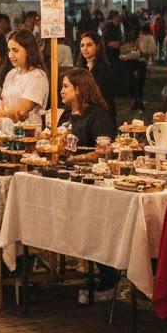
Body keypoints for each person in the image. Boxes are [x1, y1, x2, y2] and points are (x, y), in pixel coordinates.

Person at [60, 68, 119, 302]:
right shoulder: (67, 114)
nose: (61, 91)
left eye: (65, 86)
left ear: (79, 89)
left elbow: (103, 149)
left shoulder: (97, 115)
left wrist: (79, 158)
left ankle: (107, 276)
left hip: (93, 181)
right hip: (68, 178)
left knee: (94, 225)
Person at [77, 32, 117, 123]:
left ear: (98, 47)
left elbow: (103, 96)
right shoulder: (80, 68)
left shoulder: (105, 69)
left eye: (89, 45)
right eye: (82, 45)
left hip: (101, 115)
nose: (85, 49)